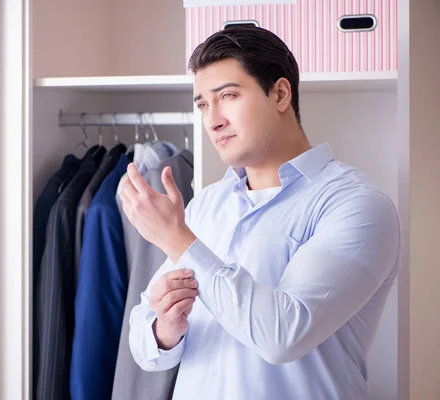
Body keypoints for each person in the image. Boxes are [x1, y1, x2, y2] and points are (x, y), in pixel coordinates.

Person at [119, 25, 400, 400]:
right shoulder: (206, 204)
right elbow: (142, 336)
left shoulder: (357, 206)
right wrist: (165, 331)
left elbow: (283, 337)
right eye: (202, 104)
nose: (212, 119)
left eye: (228, 96)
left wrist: (179, 241)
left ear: (280, 93)